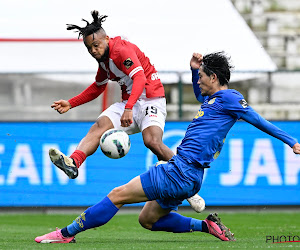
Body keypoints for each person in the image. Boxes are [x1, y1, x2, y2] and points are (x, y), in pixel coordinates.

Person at [35, 51, 300, 244]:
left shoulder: (231, 98)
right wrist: (195, 68)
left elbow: (259, 121)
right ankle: (206, 226)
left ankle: (65, 234)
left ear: (215, 77)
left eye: (203, 76)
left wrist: (292, 142)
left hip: (179, 171)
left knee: (117, 195)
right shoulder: (216, 100)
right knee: (147, 220)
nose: (198, 81)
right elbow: (202, 96)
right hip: (190, 176)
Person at [48, 10, 204, 212]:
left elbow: (139, 79)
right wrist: (71, 103)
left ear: (107, 38)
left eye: (96, 45)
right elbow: (98, 87)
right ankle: (74, 162)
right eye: (89, 48)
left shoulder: (121, 50)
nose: (94, 50)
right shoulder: (103, 61)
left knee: (152, 142)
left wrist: (129, 108)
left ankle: (189, 186)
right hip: (129, 102)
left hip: (151, 98)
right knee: (99, 126)